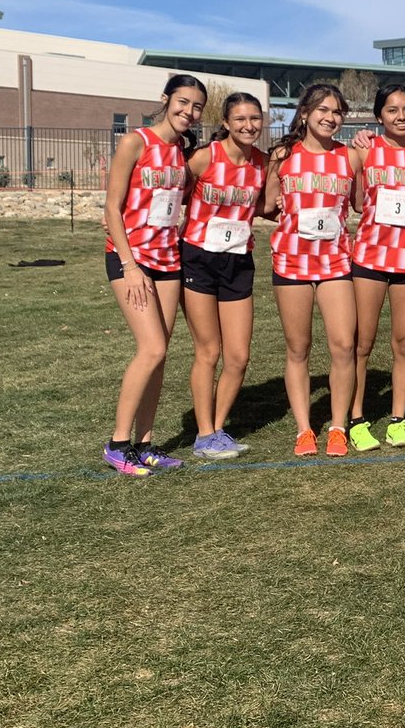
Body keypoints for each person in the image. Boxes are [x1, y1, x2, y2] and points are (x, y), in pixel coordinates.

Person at [102, 74, 204, 476]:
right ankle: (117, 445)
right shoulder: (135, 142)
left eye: (197, 107)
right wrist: (130, 265)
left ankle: (144, 444)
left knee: (160, 356)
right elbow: (112, 208)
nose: (189, 112)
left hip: (168, 262)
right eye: (183, 102)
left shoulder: (182, 152)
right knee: (152, 349)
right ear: (166, 99)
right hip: (132, 261)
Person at [264, 83, 362, 457]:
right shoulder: (283, 155)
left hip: (335, 261)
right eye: (322, 109)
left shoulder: (350, 157)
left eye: (336, 112)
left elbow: (358, 203)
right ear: (304, 113)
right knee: (298, 348)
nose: (330, 117)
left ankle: (337, 427)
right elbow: (266, 205)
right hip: (292, 261)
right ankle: (304, 429)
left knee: (344, 345)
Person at [180, 91, 268, 459]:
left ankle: (216, 430)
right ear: (226, 123)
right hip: (198, 259)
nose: (249, 125)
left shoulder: (263, 163)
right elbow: (171, 192)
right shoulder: (205, 157)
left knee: (238, 356)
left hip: (238, 262)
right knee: (209, 350)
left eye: (255, 118)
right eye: (241, 119)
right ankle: (204, 435)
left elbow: (267, 205)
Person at [347, 84, 405, 450]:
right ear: (379, 115)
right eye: (392, 109)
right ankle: (356, 418)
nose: (401, 116)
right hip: (370, 258)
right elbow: (355, 201)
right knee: (362, 344)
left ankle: (398, 420)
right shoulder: (364, 151)